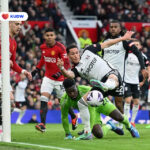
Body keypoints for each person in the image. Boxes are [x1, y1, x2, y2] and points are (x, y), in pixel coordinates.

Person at [99, 20, 147, 129]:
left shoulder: (124, 41)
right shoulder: (105, 40)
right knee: (96, 99)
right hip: (104, 76)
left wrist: (143, 69)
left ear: (120, 29)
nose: (113, 29)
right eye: (111, 27)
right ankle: (93, 126)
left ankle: (124, 124)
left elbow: (138, 53)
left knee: (119, 103)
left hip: (118, 78)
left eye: (115, 27)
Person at [57, 31, 134, 98]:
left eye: (77, 52)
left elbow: (106, 44)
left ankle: (107, 85)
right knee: (82, 103)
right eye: (72, 54)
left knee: (118, 98)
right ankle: (105, 86)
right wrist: (61, 68)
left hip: (111, 73)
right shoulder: (76, 69)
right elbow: (69, 75)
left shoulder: (88, 50)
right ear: (68, 56)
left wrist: (122, 38)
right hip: (99, 84)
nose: (76, 55)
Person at [32, 28, 76, 132]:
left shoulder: (60, 47)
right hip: (48, 77)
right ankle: (42, 124)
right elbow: (43, 59)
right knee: (43, 98)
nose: (49, 37)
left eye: (51, 35)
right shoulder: (43, 47)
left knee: (63, 103)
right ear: (44, 37)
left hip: (60, 79)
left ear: (55, 36)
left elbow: (66, 64)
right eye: (47, 35)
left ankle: (74, 116)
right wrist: (37, 69)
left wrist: (59, 72)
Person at [0, 21, 32, 136]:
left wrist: (23, 71)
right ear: (8, 24)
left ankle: (1, 129)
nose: (19, 27)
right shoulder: (1, 37)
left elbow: (12, 62)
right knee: (7, 102)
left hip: (4, 75)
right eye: (16, 24)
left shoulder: (13, 42)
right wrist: (2, 58)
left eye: (20, 24)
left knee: (11, 105)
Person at [124, 40, 150, 127]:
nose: (136, 46)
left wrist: (143, 81)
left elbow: (148, 68)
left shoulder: (142, 56)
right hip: (126, 80)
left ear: (140, 46)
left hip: (135, 82)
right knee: (127, 100)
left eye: (137, 44)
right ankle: (126, 119)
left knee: (136, 102)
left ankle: (132, 121)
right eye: (134, 44)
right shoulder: (126, 54)